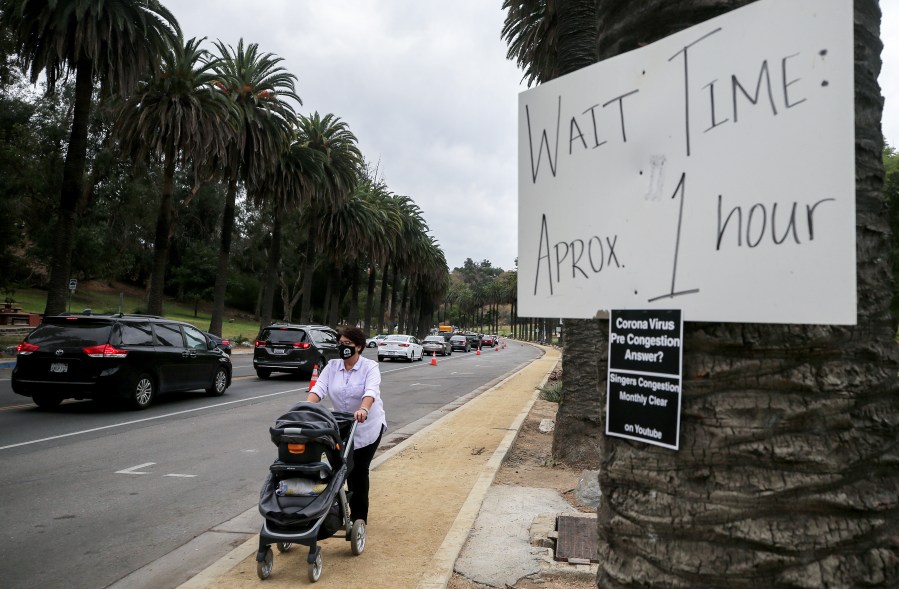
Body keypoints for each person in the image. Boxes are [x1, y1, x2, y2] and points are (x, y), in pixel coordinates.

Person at [305, 326, 385, 524]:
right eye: (340, 344)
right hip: (342, 426)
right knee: (336, 469)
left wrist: (364, 409)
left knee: (358, 471)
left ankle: (359, 518)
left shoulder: (370, 367)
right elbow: (319, 389)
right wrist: (306, 408)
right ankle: (335, 511)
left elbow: (371, 392)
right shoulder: (332, 366)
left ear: (358, 346)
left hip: (367, 426)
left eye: (347, 344)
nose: (342, 348)